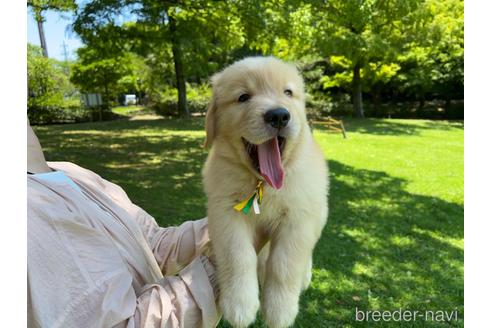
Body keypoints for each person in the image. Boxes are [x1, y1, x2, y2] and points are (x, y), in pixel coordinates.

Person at [27, 120, 220, 328]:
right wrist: (229, 258)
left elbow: (154, 243)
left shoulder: (69, 172)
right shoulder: (28, 214)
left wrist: (238, 220)